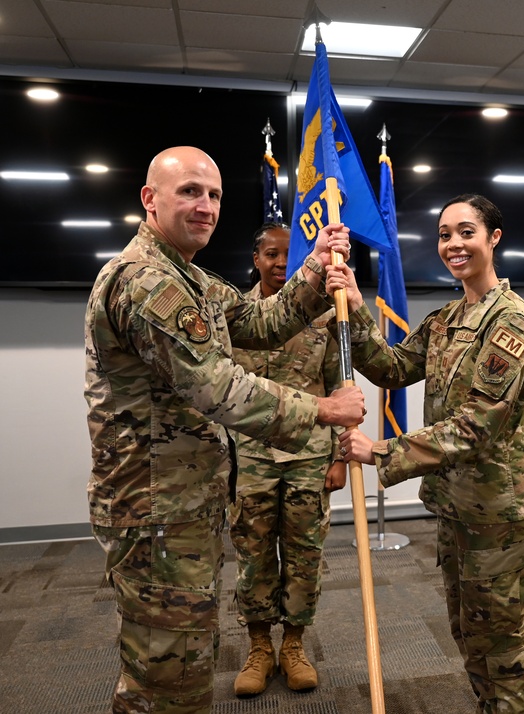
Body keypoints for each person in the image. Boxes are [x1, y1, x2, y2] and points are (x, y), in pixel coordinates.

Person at [84, 146, 365, 714]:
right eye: (189, 191)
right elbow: (216, 386)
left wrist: (313, 266)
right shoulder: (146, 283)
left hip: (183, 502)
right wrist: (320, 411)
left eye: (213, 195)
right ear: (150, 199)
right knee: (167, 678)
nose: (205, 206)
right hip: (155, 507)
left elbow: (262, 322)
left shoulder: (191, 280)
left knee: (183, 656)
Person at [333, 194, 524, 713]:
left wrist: (379, 452)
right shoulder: (446, 320)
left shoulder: (512, 322)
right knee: (469, 632)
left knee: (500, 641)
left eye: (466, 232)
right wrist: (358, 313)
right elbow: (390, 369)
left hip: (499, 510)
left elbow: (476, 428)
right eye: (445, 234)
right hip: (457, 504)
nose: (454, 244)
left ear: (493, 239)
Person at [229, 222, 349, 696]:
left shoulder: (324, 311)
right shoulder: (236, 314)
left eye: (288, 255)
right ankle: (259, 647)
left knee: (305, 555)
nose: (281, 263)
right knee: (254, 553)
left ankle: (294, 646)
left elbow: (341, 388)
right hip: (252, 456)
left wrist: (340, 456)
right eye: (271, 255)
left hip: (309, 454)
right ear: (256, 259)